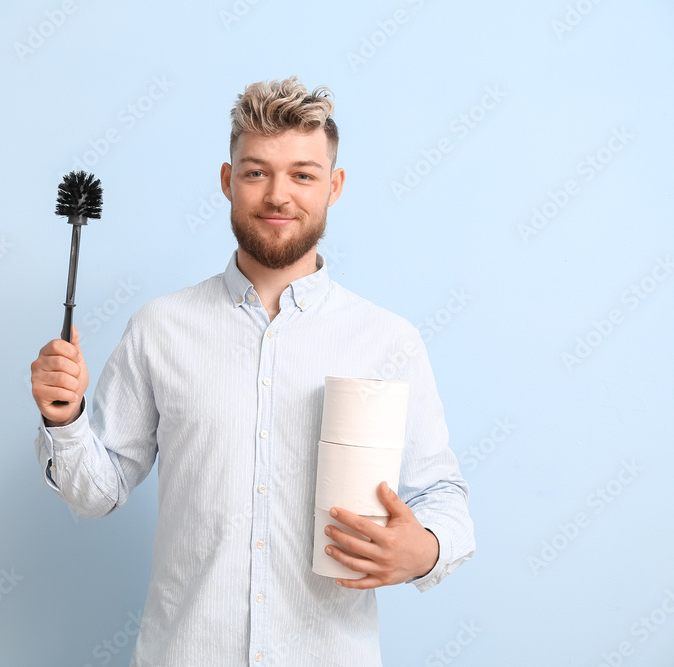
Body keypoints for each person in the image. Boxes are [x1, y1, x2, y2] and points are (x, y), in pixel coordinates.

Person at [31, 76, 475, 666]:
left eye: (303, 174)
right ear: (227, 180)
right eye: (256, 171)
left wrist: (422, 550)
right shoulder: (160, 328)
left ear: (334, 187)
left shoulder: (388, 341)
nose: (278, 195)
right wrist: (65, 419)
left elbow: (442, 495)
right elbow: (96, 492)